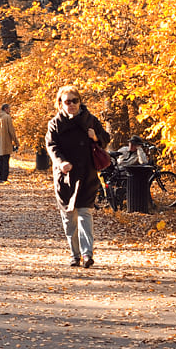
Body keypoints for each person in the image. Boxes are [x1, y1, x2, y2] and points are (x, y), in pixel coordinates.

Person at [46, 86, 111, 268]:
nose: (72, 105)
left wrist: (96, 137)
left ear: (80, 102)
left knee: (84, 213)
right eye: (68, 102)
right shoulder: (55, 124)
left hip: (87, 173)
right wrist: (61, 162)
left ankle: (87, 254)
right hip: (65, 176)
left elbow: (106, 138)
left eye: (75, 101)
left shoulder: (90, 120)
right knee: (69, 218)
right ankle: (74, 254)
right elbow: (52, 146)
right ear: (61, 104)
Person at [0, 103, 18, 183]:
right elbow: (11, 131)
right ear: (5, 109)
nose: (9, 110)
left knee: (0, 160)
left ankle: (0, 177)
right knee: (6, 160)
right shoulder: (7, 117)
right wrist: (16, 142)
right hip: (6, 142)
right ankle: (4, 178)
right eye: (9, 109)